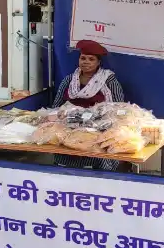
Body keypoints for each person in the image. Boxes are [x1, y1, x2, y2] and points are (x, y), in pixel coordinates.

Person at [52, 40, 125, 171]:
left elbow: (118, 108)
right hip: (69, 129)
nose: (85, 62)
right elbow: (56, 105)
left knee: (95, 164)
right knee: (65, 168)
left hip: (99, 130)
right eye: (83, 58)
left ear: (98, 62)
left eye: (91, 59)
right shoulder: (69, 80)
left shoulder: (109, 81)